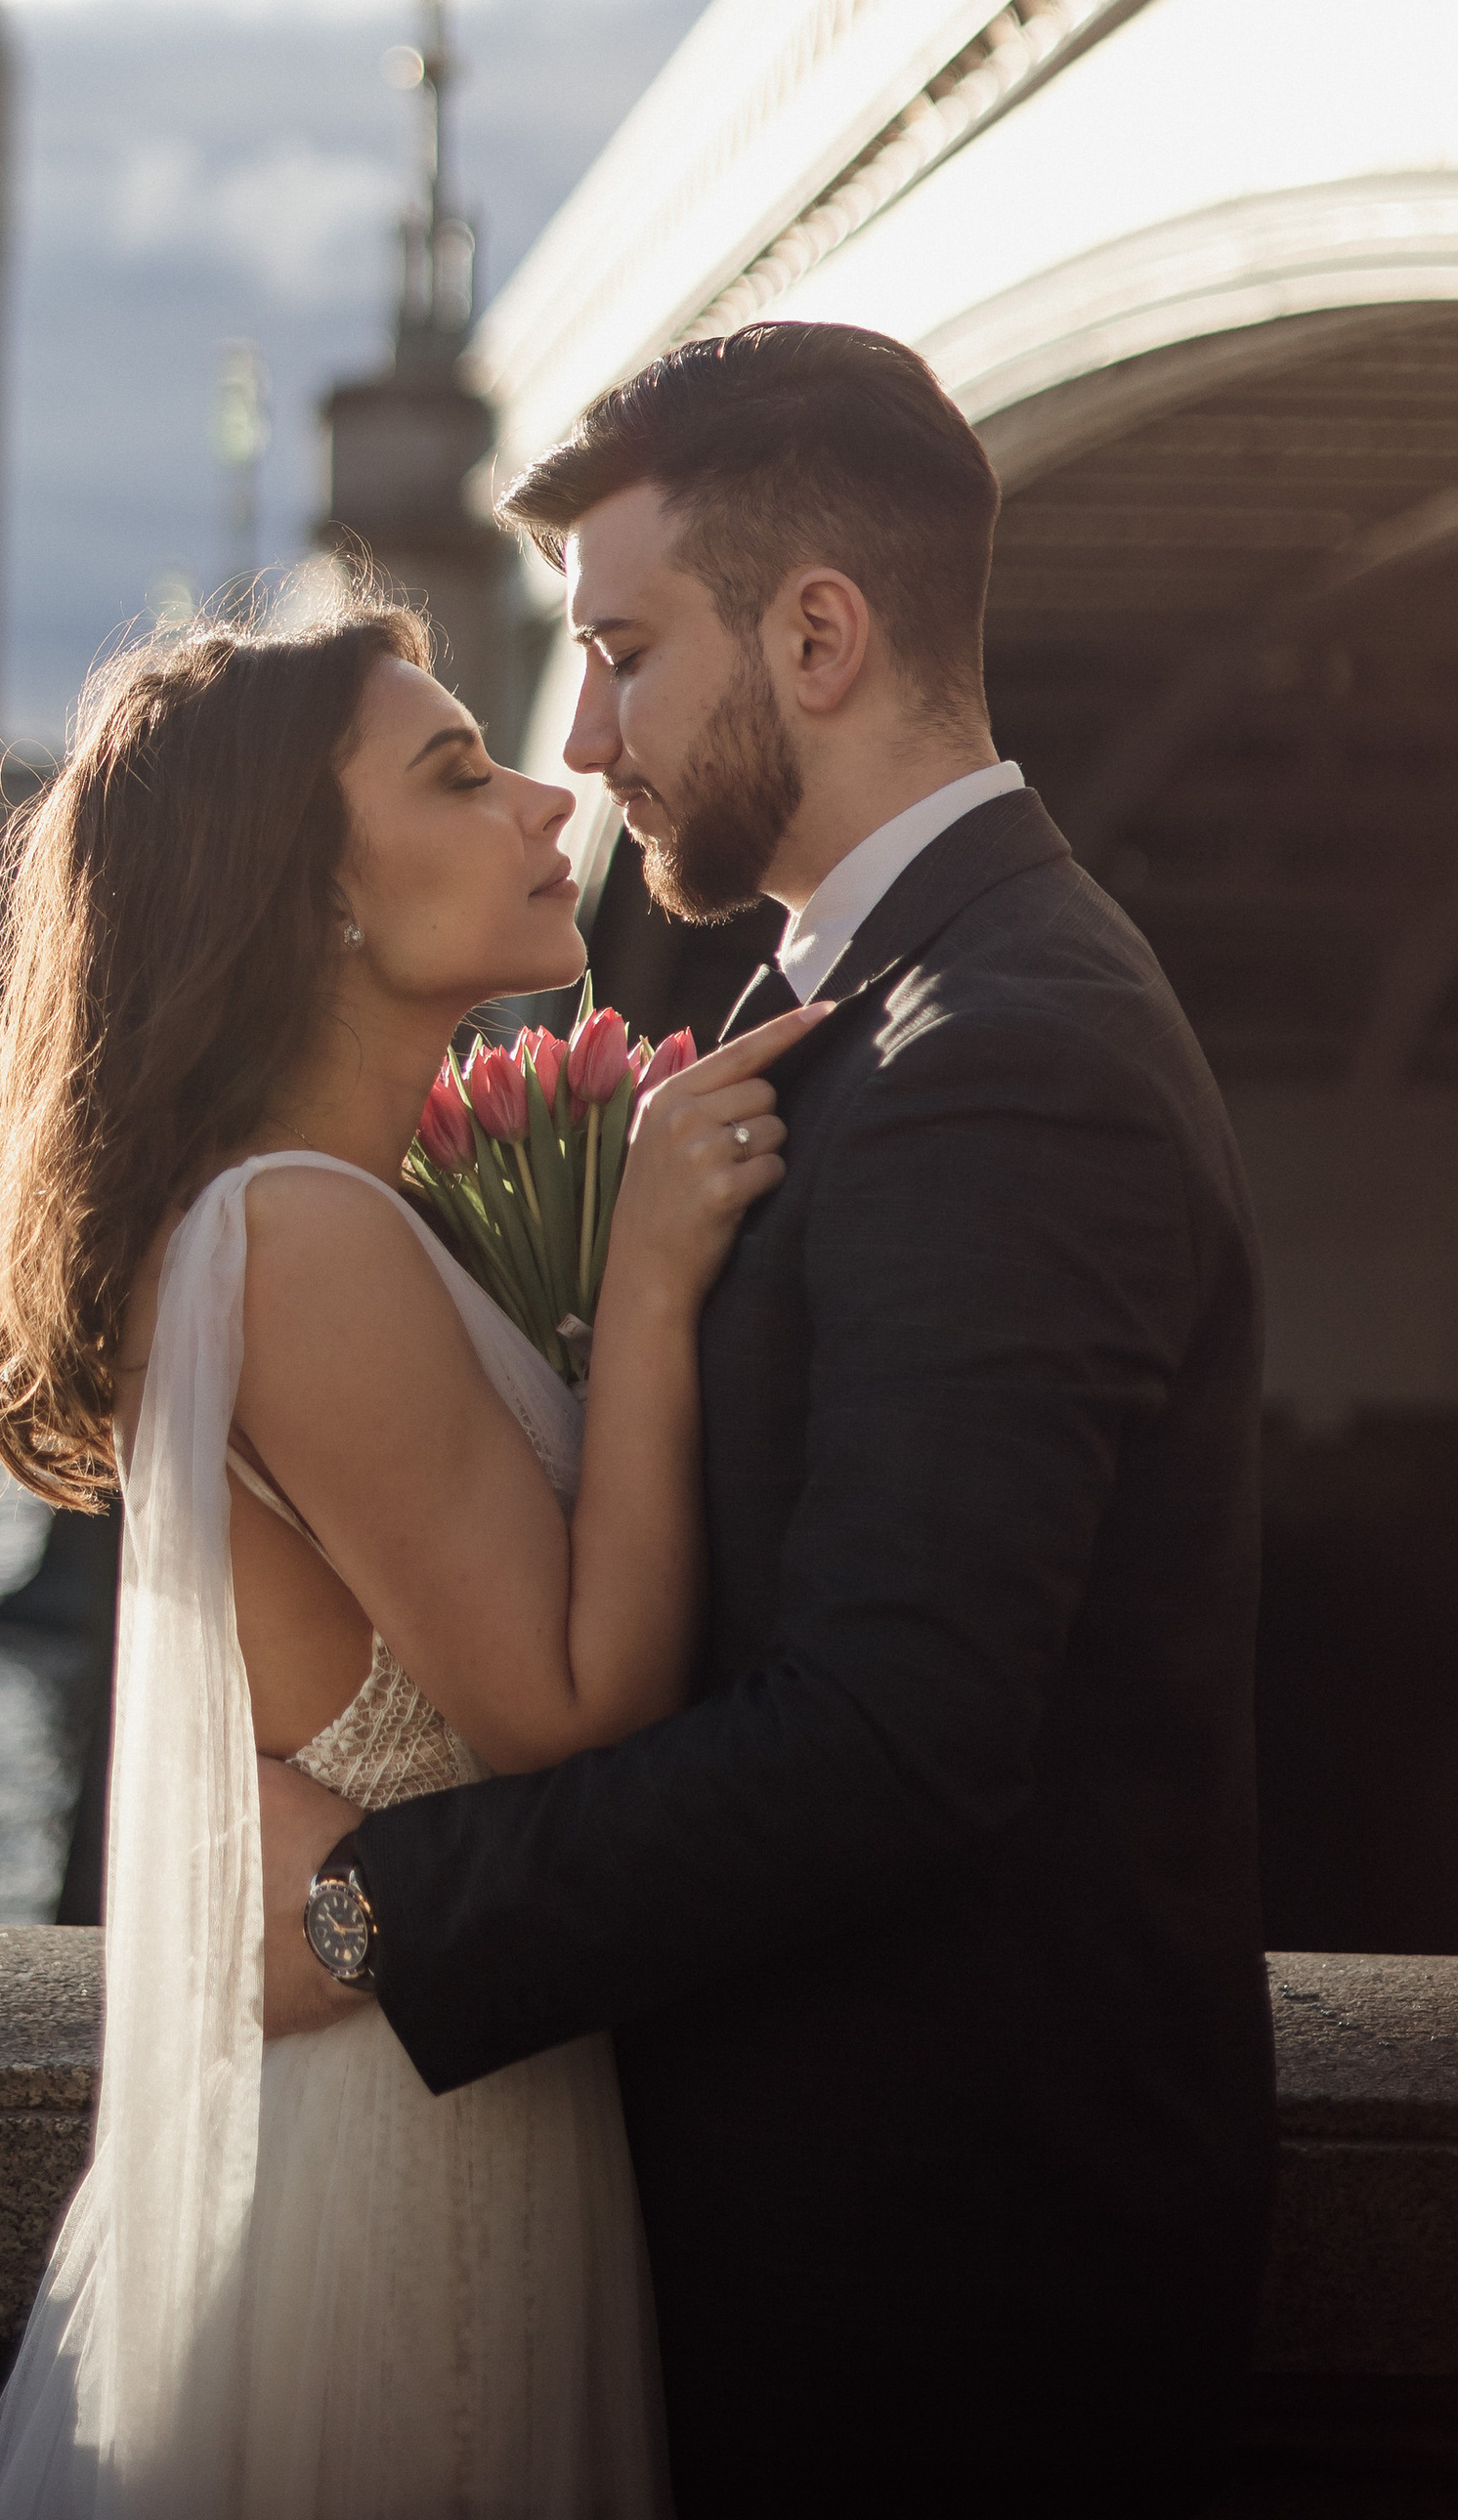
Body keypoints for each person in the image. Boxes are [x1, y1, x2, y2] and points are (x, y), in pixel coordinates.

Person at [259, 320, 1276, 2519]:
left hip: (953, 2323)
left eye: (621, 651)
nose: (583, 735)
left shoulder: (996, 1052)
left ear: (815, 633)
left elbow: (897, 1729)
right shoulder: (866, 1010)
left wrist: (370, 1908)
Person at [0, 593, 822, 2517]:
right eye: (453, 770)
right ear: (310, 892)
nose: (540, 792)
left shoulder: (321, 1214)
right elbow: (575, 1707)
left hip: (417, 2092)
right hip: (404, 2162)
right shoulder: (296, 1237)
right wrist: (652, 1280)